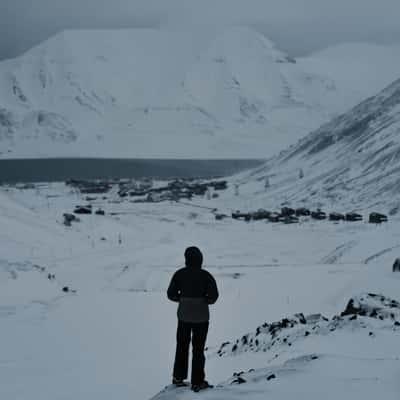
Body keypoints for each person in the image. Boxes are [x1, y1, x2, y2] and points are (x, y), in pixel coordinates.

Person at [167, 246, 219, 392]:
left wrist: (182, 300)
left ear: (186, 259)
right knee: (198, 349)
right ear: (200, 259)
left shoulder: (179, 274)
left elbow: (170, 294)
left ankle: (178, 378)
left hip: (183, 317)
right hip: (202, 318)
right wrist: (204, 301)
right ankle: (197, 381)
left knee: (182, 346)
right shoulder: (206, 276)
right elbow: (214, 296)